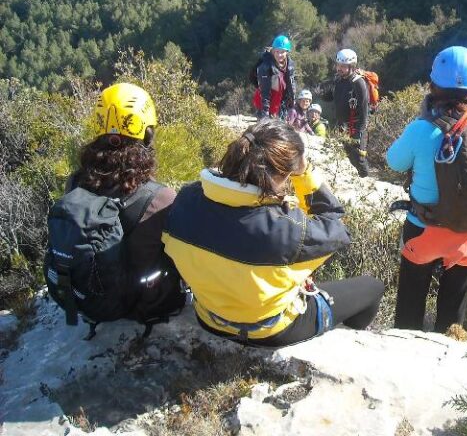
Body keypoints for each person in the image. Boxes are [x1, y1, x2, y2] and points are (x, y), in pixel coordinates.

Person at [162, 119, 385, 347]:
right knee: (373, 287)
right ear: (281, 175)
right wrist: (304, 173)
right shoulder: (288, 230)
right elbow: (337, 226)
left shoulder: (186, 200)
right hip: (271, 331)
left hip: (208, 318)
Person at [46, 82, 184, 330]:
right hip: (142, 305)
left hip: (89, 297)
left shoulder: (76, 182)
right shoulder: (161, 199)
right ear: (147, 135)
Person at [386, 46, 467, 333]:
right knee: (455, 303)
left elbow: (394, 162)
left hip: (424, 227)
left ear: (434, 84)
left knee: (411, 298)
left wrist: (422, 122)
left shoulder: (421, 129)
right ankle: (449, 339)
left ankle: (405, 342)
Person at [328, 48, 370, 177]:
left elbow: (364, 109)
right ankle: (360, 179)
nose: (339, 68)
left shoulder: (358, 83)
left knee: (360, 158)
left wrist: (360, 132)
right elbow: (333, 98)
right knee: (349, 155)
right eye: (338, 65)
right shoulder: (339, 80)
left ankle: (366, 179)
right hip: (343, 126)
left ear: (352, 66)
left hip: (356, 126)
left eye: (343, 66)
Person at [252, 35, 297, 119]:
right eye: (277, 51)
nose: (280, 55)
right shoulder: (265, 66)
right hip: (265, 104)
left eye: (282, 52)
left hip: (280, 103)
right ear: (272, 51)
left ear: (287, 52)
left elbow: (292, 83)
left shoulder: (290, 65)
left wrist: (292, 103)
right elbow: (264, 91)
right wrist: (265, 112)